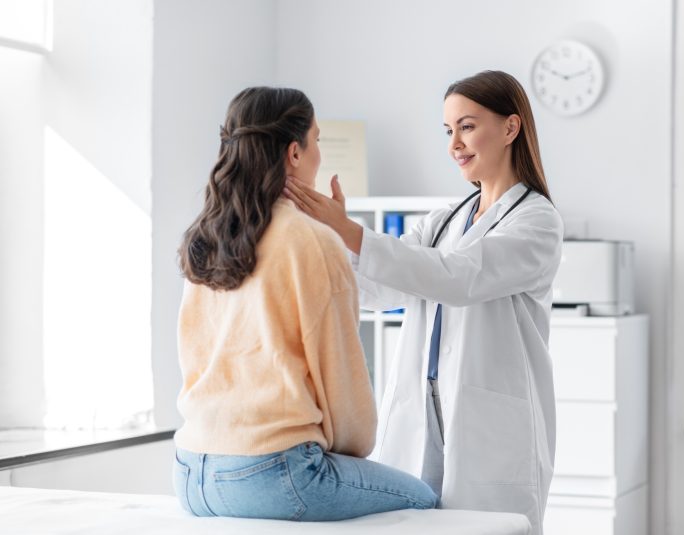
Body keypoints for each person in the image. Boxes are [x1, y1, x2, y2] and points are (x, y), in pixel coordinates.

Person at [283, 70, 563, 533]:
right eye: (448, 130)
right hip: (423, 415)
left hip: (486, 425)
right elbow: (381, 290)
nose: (455, 144)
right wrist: (321, 237)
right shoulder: (443, 220)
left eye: (467, 127)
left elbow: (458, 277)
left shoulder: (537, 221)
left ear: (510, 128)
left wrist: (348, 229)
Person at [173, 86, 437, 521]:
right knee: (425, 502)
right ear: (294, 153)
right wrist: (353, 450)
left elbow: (194, 354)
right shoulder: (312, 240)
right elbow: (345, 390)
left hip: (190, 471)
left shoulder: (207, 234)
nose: (319, 153)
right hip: (271, 473)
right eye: (316, 140)